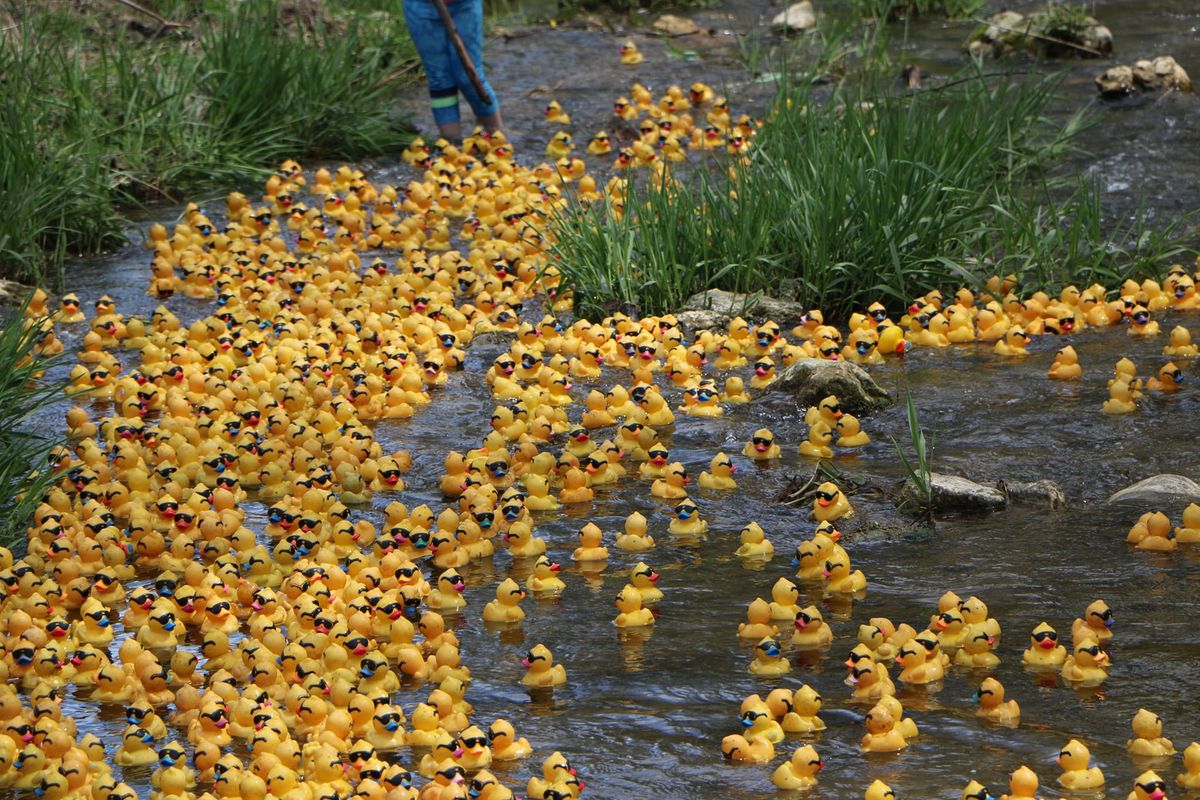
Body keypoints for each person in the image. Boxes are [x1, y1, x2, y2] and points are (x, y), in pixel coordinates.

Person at [403, 0, 503, 141]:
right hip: (420, 6)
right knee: (439, 78)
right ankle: (451, 144)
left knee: (468, 76)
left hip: (464, 4)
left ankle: (498, 139)